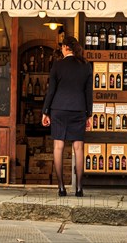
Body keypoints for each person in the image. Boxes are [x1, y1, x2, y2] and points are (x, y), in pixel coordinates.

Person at [42, 36, 93, 197]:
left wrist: (45, 111)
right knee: (78, 148)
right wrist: (89, 115)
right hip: (78, 109)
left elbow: (51, 91)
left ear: (65, 47)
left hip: (59, 108)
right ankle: (78, 188)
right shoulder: (86, 66)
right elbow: (88, 93)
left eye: (62, 47)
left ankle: (61, 188)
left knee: (58, 147)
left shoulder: (57, 65)